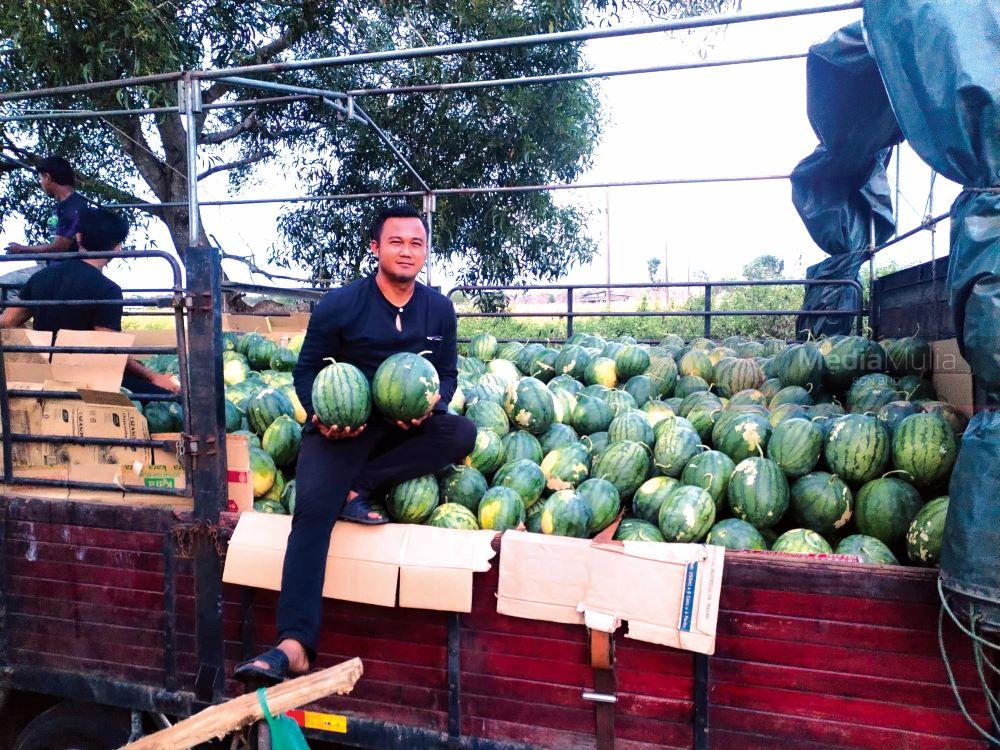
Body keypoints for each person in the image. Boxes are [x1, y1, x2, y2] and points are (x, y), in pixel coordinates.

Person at [234, 204, 476, 686]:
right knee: (311, 512)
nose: (407, 251)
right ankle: (294, 643)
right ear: (375, 248)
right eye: (396, 242)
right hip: (343, 427)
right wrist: (322, 416)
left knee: (461, 433)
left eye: (416, 243)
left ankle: (360, 486)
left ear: (425, 252)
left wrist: (434, 404)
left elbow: (446, 374)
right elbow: (305, 373)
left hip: (403, 425)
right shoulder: (340, 305)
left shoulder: (439, 309)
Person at [0, 207, 178, 395]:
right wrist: (151, 375)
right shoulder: (107, 289)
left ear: (78, 238)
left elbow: (7, 321)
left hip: (45, 376)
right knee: (169, 395)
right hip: (88, 381)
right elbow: (110, 350)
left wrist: (41, 346)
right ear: (117, 248)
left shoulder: (41, 276)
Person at [4, 156, 89, 255]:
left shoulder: (73, 206)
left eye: (40, 179)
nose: (41, 184)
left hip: (68, 267)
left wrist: (22, 249)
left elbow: (60, 246)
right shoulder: (64, 205)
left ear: (47, 178)